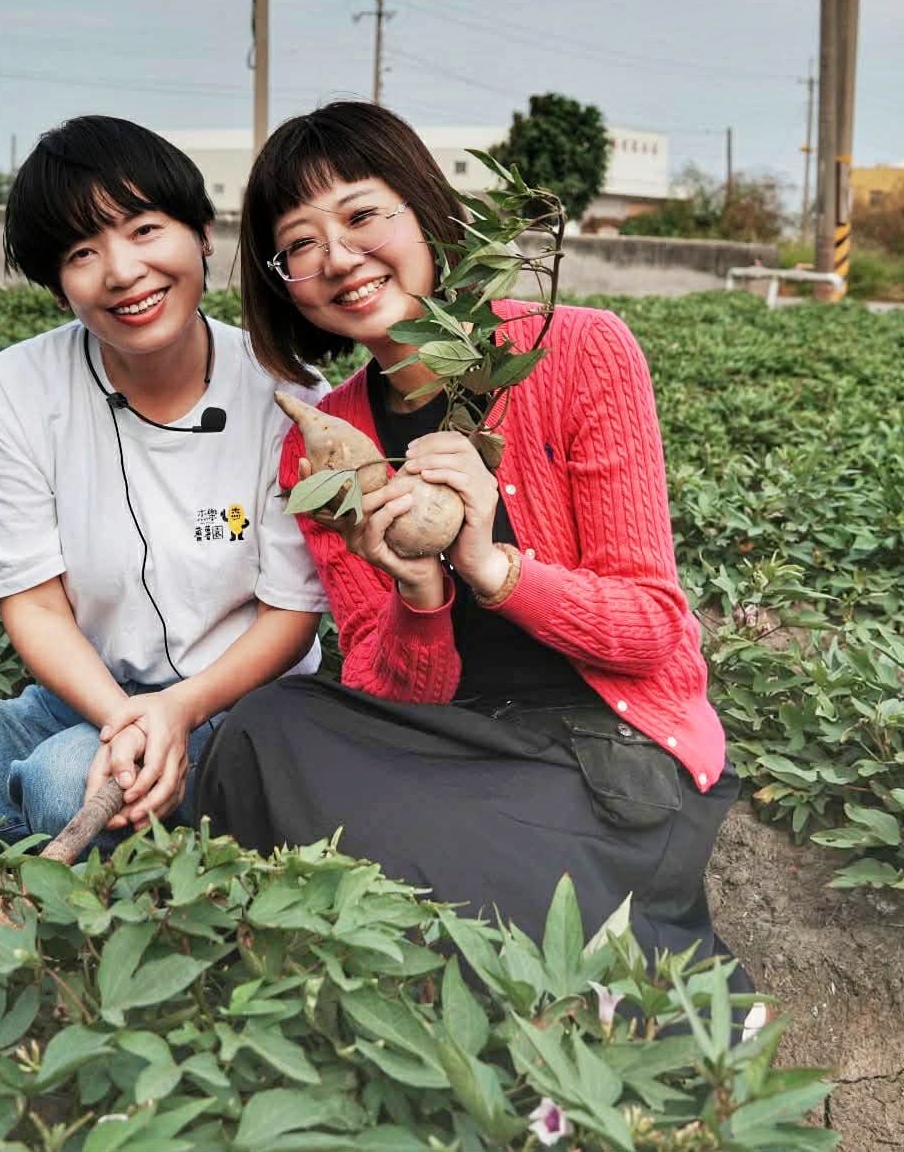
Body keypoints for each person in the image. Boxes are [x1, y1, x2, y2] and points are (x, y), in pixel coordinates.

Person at [196, 100, 745, 981]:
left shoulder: (578, 351)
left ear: (424, 209)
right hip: (451, 745)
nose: (337, 256)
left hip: (602, 745)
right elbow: (385, 682)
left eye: (362, 214)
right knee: (264, 730)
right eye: (299, 243)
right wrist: (418, 595)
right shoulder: (322, 440)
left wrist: (493, 568)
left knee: (482, 889)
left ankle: (641, 978)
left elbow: (652, 629)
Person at [0, 116, 327, 856]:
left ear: (203, 234)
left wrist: (176, 712)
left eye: (145, 229)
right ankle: (72, 788)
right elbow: (39, 606)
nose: (121, 271)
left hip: (243, 706)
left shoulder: (288, 393)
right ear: (57, 288)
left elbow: (292, 613)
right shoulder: (11, 391)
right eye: (83, 252)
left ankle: (66, 800)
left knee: (60, 784)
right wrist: (124, 718)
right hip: (80, 699)